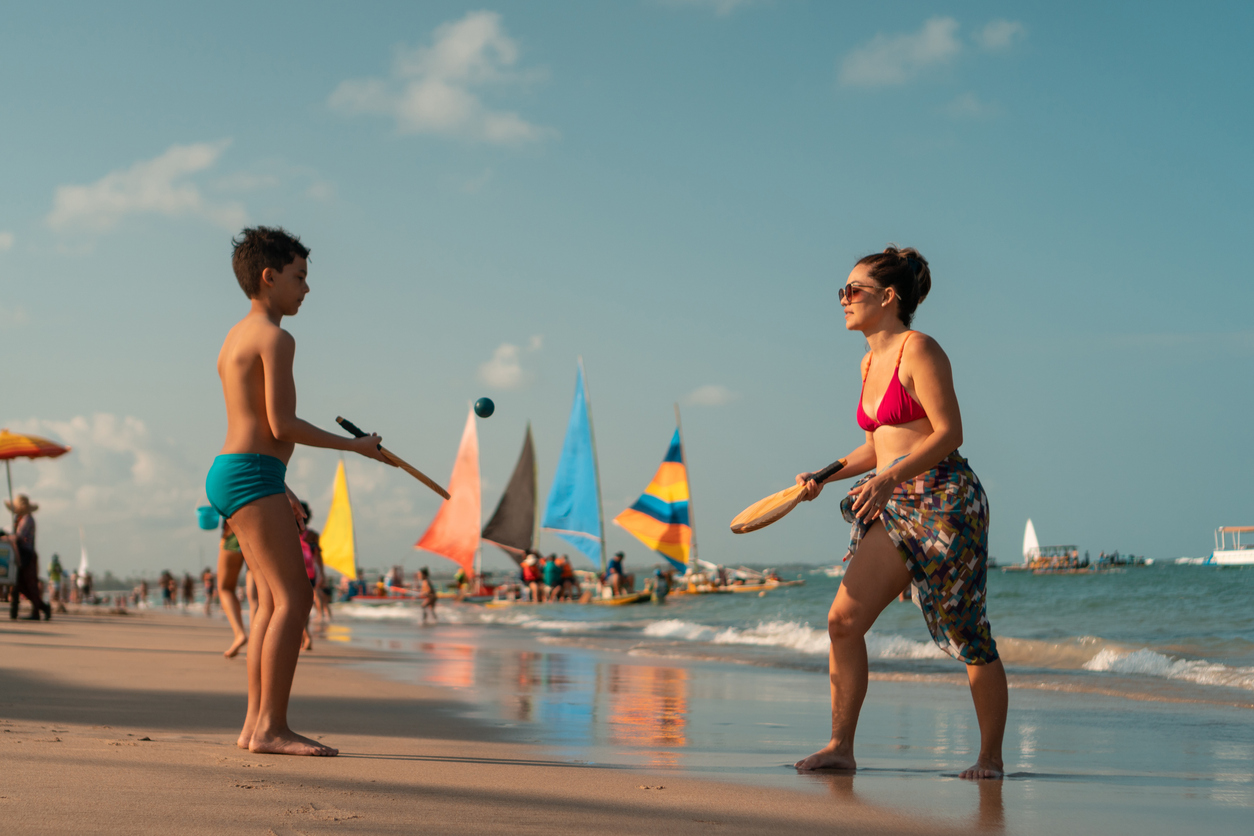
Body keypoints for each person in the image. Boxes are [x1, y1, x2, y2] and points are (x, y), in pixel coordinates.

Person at [792, 246, 1006, 780]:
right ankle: (841, 746)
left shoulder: (920, 349)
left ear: (888, 297)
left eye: (854, 289)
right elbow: (877, 446)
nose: (843, 298)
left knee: (968, 634)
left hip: (945, 500)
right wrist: (822, 475)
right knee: (843, 621)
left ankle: (990, 758)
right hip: (893, 498)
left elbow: (949, 432)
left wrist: (890, 477)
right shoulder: (868, 361)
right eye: (841, 289)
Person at [204, 225, 392, 757]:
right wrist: (354, 447)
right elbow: (281, 424)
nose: (307, 289)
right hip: (251, 472)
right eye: (300, 277)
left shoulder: (234, 336)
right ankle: (270, 728)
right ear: (270, 277)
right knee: (295, 597)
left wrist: (279, 485)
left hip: (239, 471)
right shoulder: (277, 337)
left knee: (269, 600)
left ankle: (254, 726)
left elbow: (260, 425)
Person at [6, 495, 50, 621]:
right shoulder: (20, 519)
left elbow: (18, 537)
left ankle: (41, 609)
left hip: (27, 555)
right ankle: (40, 608)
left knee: (30, 584)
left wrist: (7, 537)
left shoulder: (27, 520)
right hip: (21, 554)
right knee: (20, 584)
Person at [218, 518, 249, 658]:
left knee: (225, 588)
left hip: (235, 529)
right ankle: (258, 640)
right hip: (262, 528)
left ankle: (239, 633)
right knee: (257, 596)